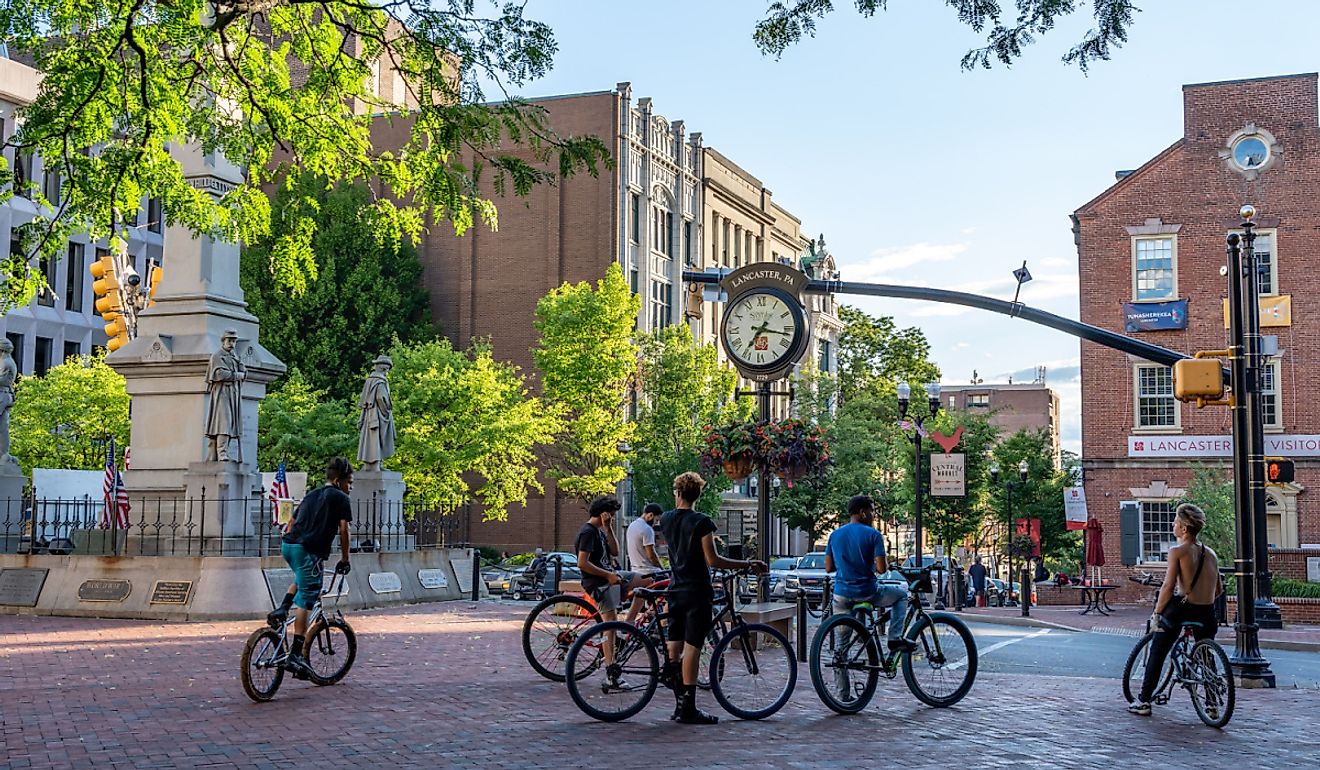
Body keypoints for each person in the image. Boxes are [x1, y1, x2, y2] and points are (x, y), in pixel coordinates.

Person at [660, 472, 767, 725]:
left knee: (673, 649)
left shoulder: (666, 519)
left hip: (674, 589)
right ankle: (689, 708)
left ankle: (678, 703)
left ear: (677, 493)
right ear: (699, 494)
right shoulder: (702, 522)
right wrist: (748, 563)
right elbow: (713, 559)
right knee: (693, 648)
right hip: (697, 590)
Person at [1128, 503, 1222, 717]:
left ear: (1184, 528)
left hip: (1183, 609)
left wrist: (1157, 613)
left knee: (1158, 651)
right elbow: (1218, 589)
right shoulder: (1211, 554)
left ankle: (1143, 701)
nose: (1173, 524)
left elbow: (1169, 586)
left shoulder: (1177, 551)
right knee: (1206, 656)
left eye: (1176, 521)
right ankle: (1212, 704)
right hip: (1207, 612)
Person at [267, 458, 354, 679]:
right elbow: (344, 530)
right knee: (307, 597)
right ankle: (296, 653)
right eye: (349, 482)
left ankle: (282, 609)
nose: (350, 487)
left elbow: (292, 522)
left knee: (303, 577)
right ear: (338, 481)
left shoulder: (312, 494)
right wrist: (345, 558)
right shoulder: (341, 499)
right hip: (308, 549)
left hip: (289, 545)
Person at [576, 496, 652, 684]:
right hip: (598, 582)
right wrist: (608, 576)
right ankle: (611, 672)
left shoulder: (601, 531)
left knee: (647, 581)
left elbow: (615, 551)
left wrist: (608, 528)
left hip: (612, 576)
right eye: (611, 515)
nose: (613, 518)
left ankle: (629, 622)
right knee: (609, 623)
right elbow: (582, 563)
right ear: (603, 513)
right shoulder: (588, 532)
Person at [825, 495, 915, 653]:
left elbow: (828, 567)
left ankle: (841, 664)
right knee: (901, 596)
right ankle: (894, 638)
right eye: (872, 511)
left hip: (841, 594)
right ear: (862, 512)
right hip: (867, 592)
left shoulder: (834, 535)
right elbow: (881, 569)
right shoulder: (873, 535)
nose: (874, 516)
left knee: (841, 648)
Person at [204, 329, 245, 462]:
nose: (232, 343)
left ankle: (223, 452)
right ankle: (221, 453)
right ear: (223, 341)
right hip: (222, 394)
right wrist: (237, 375)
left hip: (233, 394)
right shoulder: (217, 356)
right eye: (229, 340)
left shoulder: (235, 356)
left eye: (234, 341)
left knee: (231, 423)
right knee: (223, 423)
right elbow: (220, 374)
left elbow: (243, 373)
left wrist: (241, 366)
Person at [356, 355, 396, 471]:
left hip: (369, 415)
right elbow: (381, 398)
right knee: (377, 438)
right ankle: (375, 465)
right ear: (384, 368)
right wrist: (386, 411)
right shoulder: (380, 382)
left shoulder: (370, 380)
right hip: (377, 415)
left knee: (370, 439)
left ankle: (371, 465)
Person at [627, 502, 665, 576]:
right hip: (648, 571)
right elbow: (651, 556)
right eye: (656, 520)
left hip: (634, 570)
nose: (655, 524)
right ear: (650, 515)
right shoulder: (647, 529)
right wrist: (662, 569)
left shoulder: (632, 525)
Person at [0, 339, 16, 463]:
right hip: (5, 395)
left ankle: (4, 454)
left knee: (3, 426)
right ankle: (3, 454)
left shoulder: (5, 363)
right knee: (3, 426)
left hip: (2, 395)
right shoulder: (8, 362)